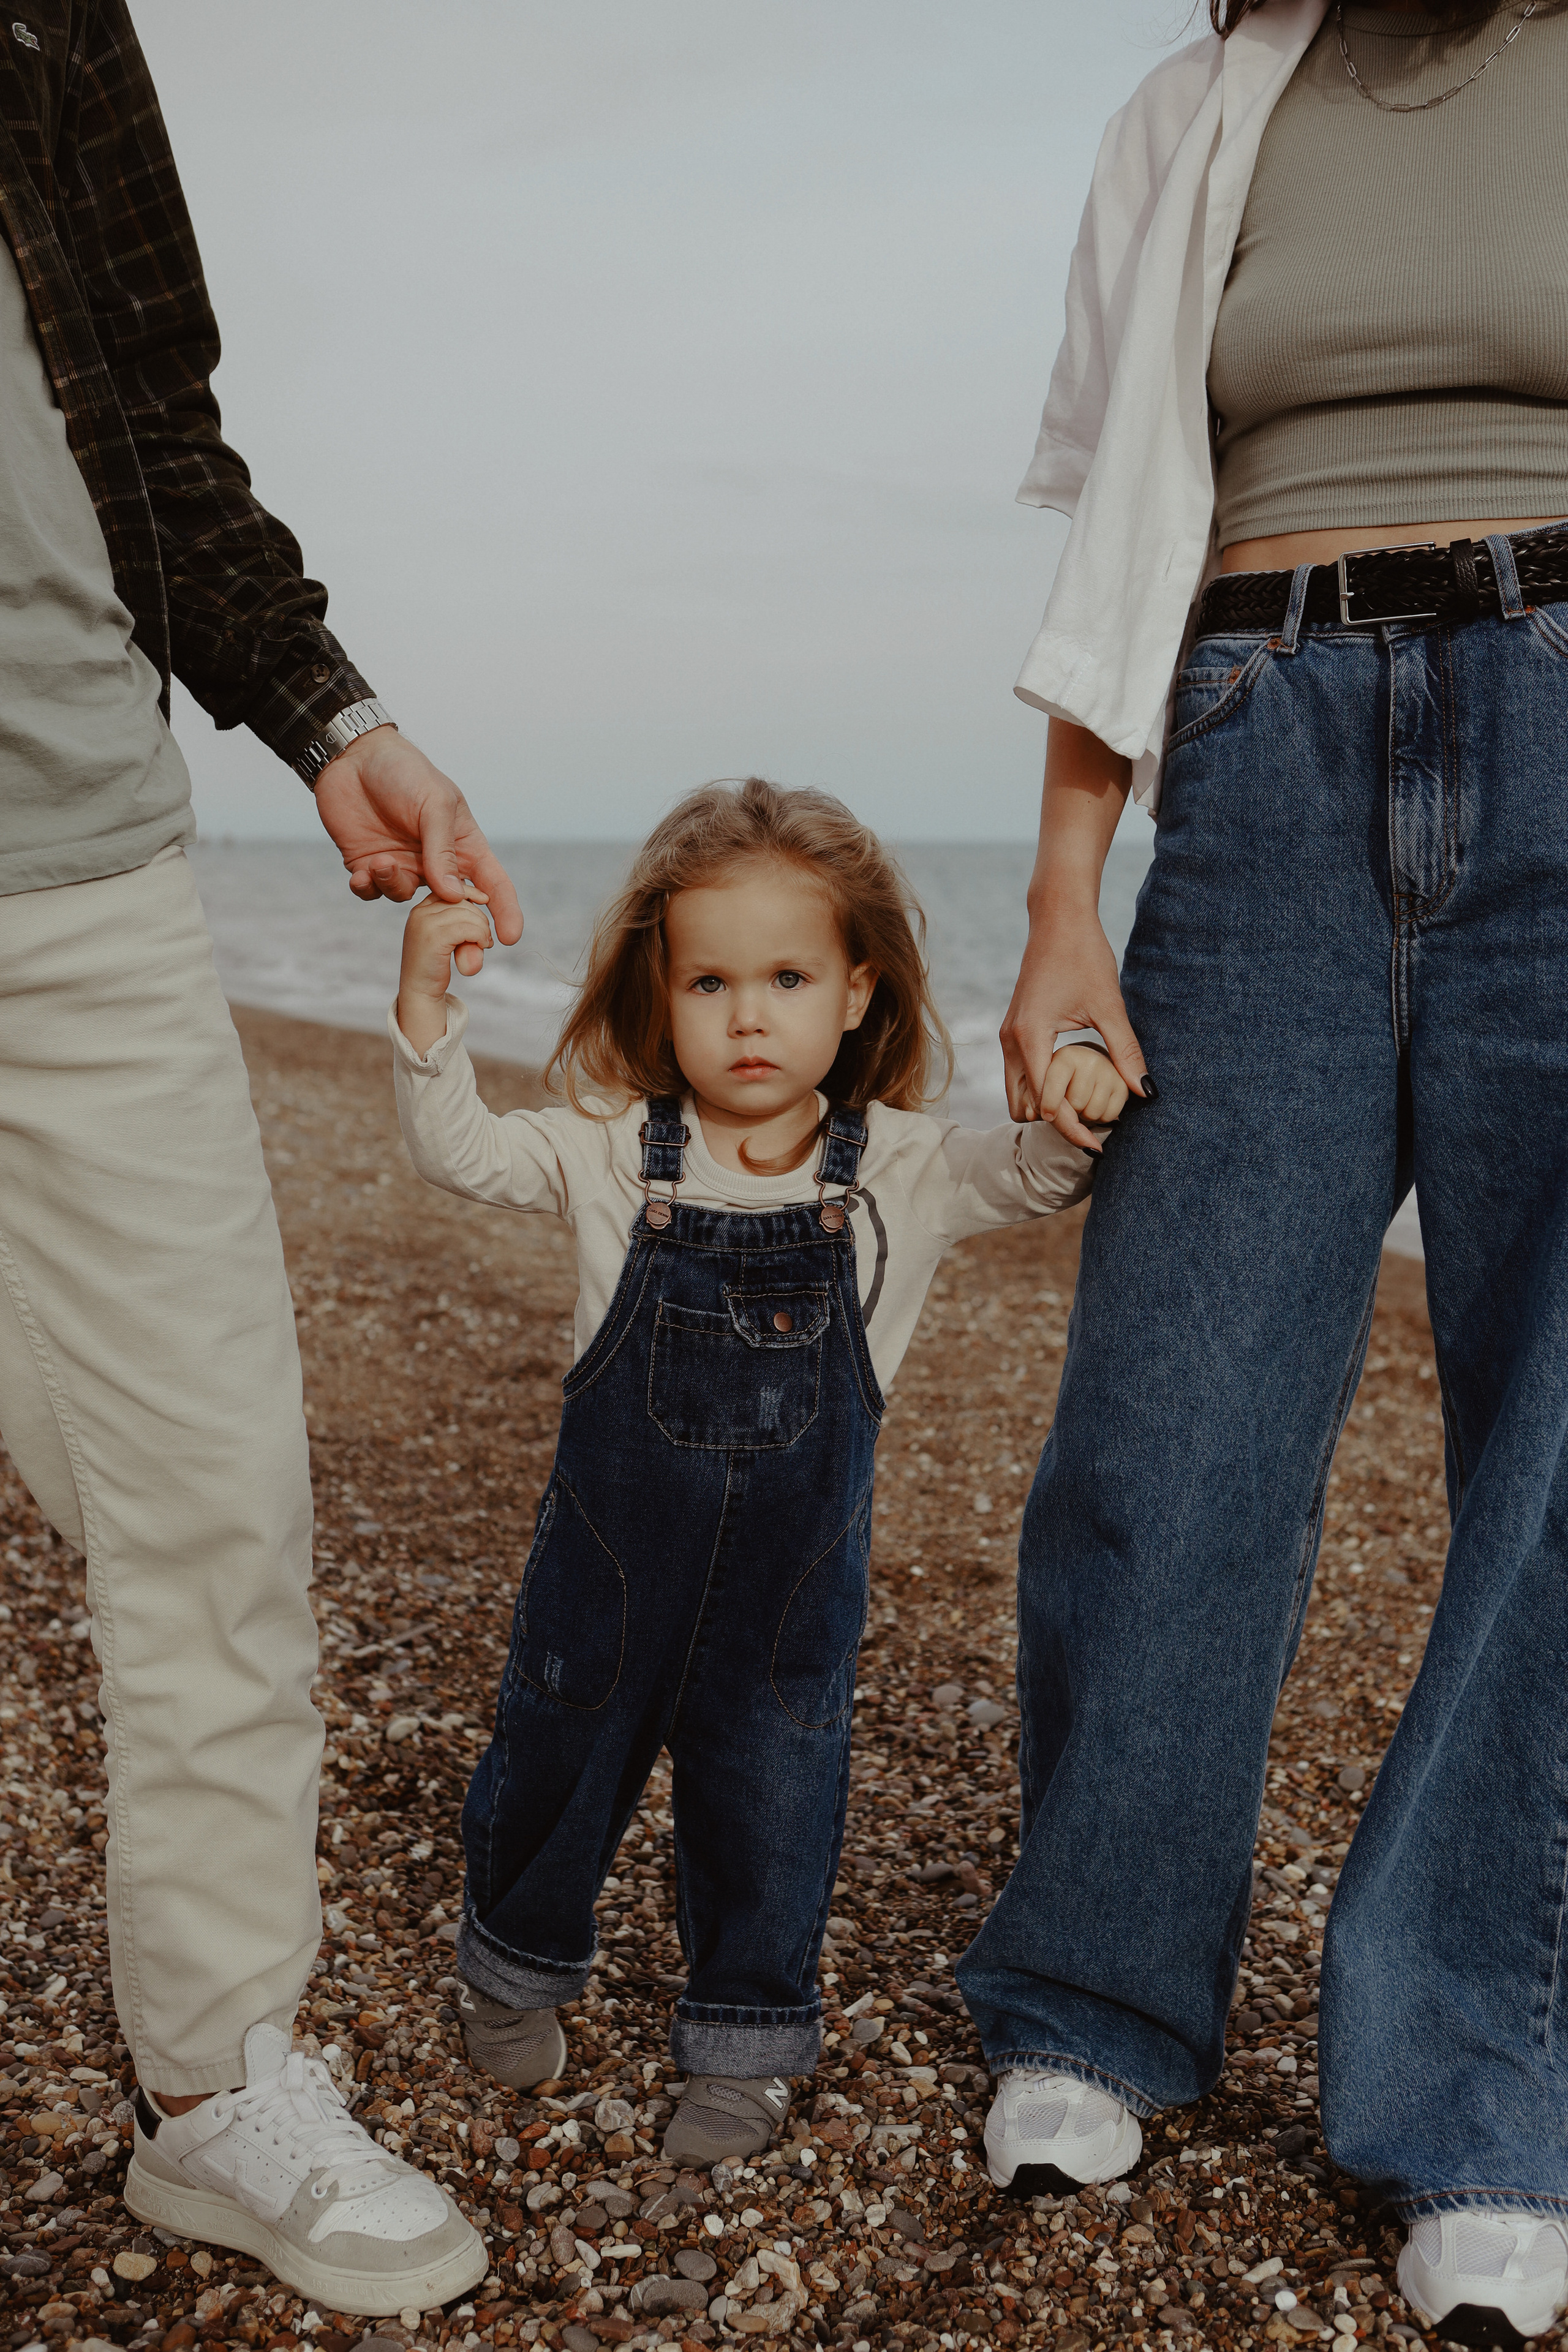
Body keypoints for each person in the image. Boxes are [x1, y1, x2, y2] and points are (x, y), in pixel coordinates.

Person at [957, 0, 1568, 2339]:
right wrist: (1055, 914)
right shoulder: (1198, 113)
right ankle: (1095, 1994)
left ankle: (1487, 2085)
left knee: (1552, 1466)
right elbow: (1120, 549)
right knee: (1171, 1420)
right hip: (1260, 743)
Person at [0, 1, 521, 2314]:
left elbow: (145, 420)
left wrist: (328, 713)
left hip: (76, 876)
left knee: (214, 1497)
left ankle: (217, 2090)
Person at [388, 777, 1129, 2168]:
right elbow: (461, 1151)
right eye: (708, 980)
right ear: (656, 997)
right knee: (557, 1753)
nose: (745, 1015)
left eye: (785, 977)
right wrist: (428, 1010)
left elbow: (1034, 1177)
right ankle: (515, 1962)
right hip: (606, 1570)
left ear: (856, 992)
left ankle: (740, 2039)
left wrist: (1076, 1093)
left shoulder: (897, 1169)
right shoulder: (617, 1155)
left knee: (772, 1801)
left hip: (789, 1598)